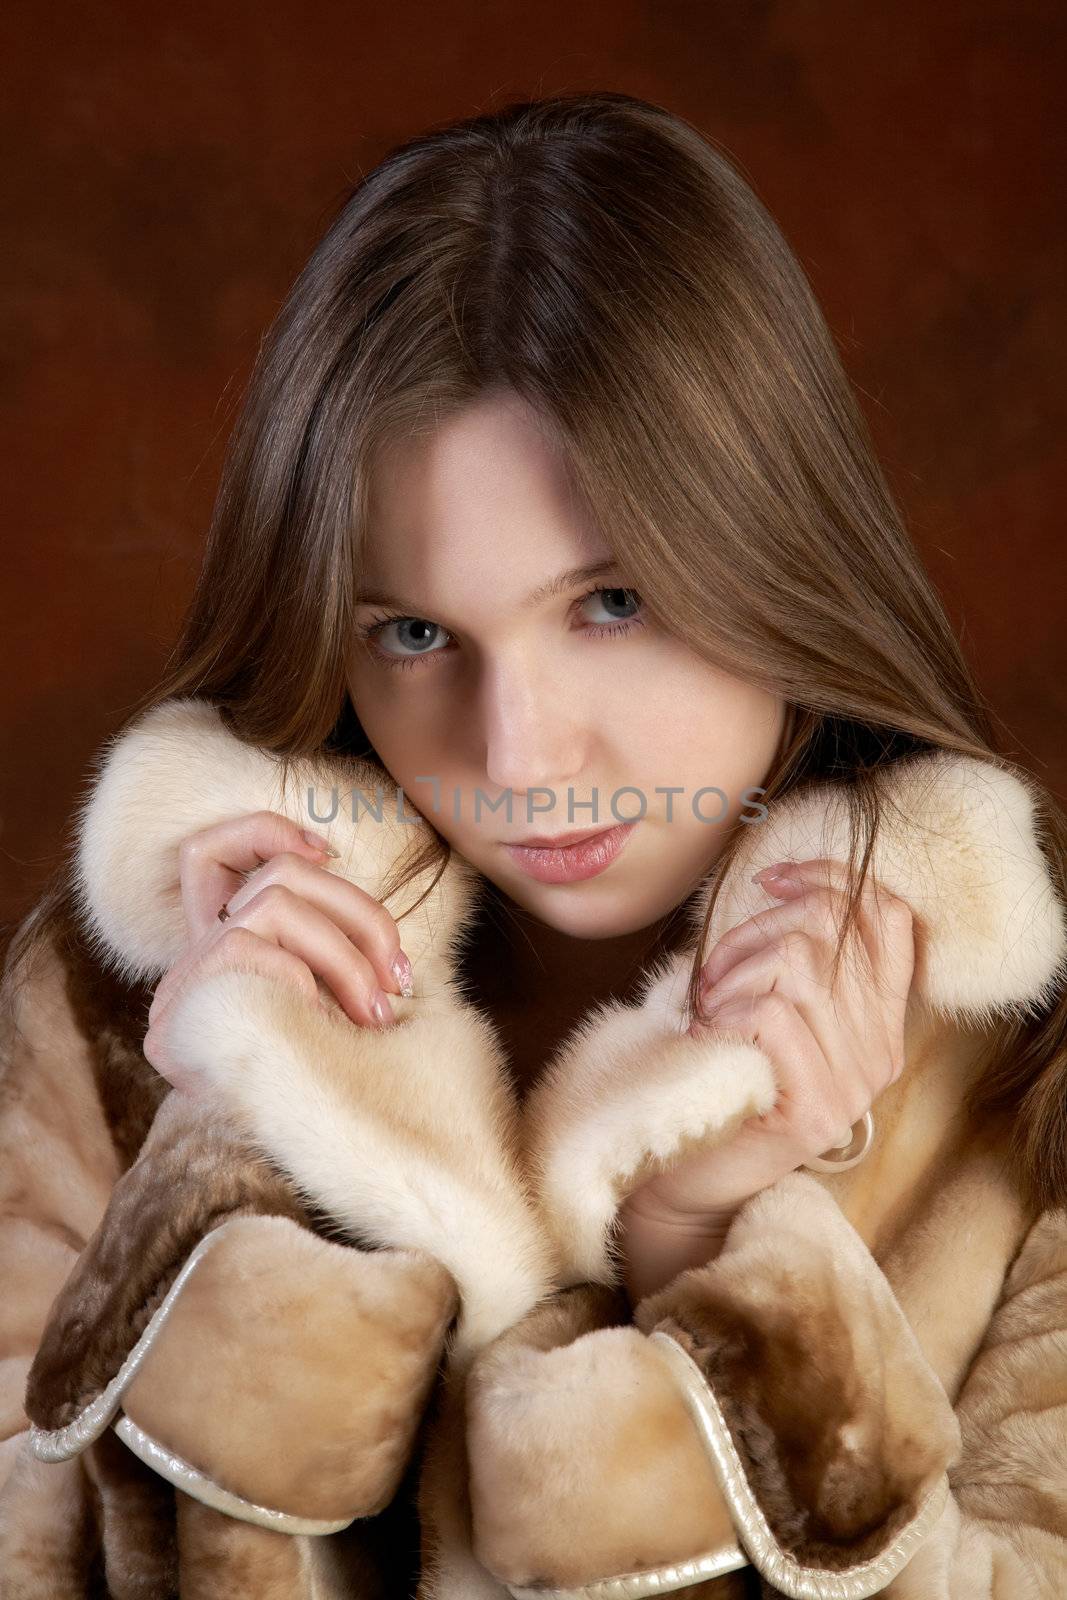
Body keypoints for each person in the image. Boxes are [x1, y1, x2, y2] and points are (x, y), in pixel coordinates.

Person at [1, 88, 1064, 1599]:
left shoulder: (1029, 1059)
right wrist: (235, 1150)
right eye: (418, 630)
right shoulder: (125, 1013)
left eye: (613, 604)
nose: (517, 758)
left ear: (776, 549)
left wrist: (709, 1269)